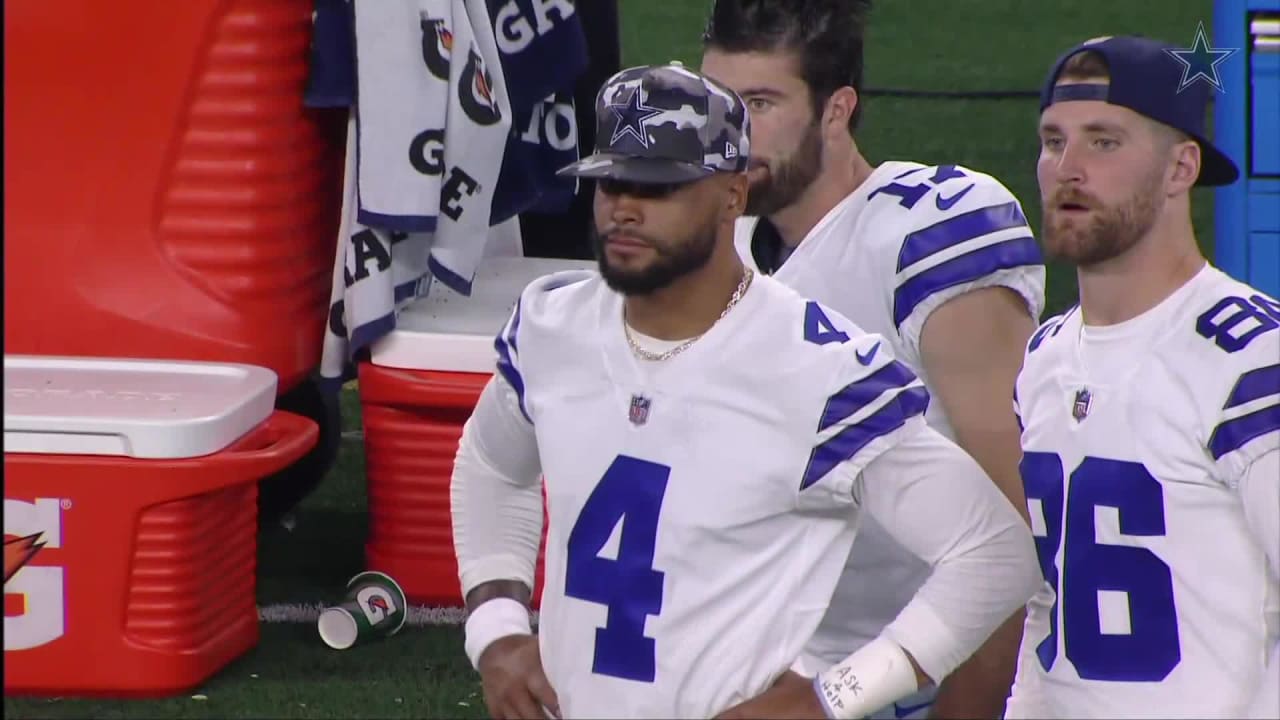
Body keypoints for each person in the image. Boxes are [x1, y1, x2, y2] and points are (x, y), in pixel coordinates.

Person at [449, 62, 1041, 719]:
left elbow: (995, 553)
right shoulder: (551, 325)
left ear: (733, 195)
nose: (623, 206)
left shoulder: (816, 369)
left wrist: (833, 699)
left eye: (657, 187)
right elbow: (490, 466)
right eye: (610, 182)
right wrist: (496, 631)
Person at [699, 2, 1046, 717]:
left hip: (903, 677)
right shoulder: (707, 243)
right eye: (718, 104)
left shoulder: (928, 232)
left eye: (760, 103)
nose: (731, 133)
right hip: (750, 672)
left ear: (836, 110)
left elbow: (1020, 525)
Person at [1003, 35, 1279, 719]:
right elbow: (1049, 608)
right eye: (1052, 140)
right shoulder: (1044, 358)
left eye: (1103, 142)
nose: (1067, 168)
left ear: (1182, 166)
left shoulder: (1250, 358)